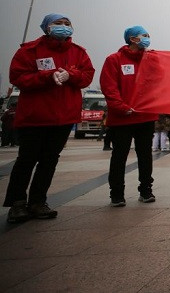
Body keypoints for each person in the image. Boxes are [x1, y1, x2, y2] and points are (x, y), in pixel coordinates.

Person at [3, 13, 94, 223]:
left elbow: (87, 76)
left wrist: (71, 75)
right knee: (26, 160)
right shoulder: (29, 50)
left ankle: (37, 202)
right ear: (46, 28)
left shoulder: (78, 52)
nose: (64, 27)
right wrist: (47, 76)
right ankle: (17, 204)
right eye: (58, 24)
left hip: (63, 117)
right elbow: (17, 77)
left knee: (49, 160)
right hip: (35, 116)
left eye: (67, 24)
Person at [102, 25, 160, 207]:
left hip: (145, 117)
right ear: (132, 39)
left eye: (148, 35)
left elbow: (160, 84)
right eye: (144, 35)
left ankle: (146, 190)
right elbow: (109, 87)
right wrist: (121, 107)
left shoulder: (152, 60)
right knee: (120, 156)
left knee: (145, 155)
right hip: (122, 118)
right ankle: (117, 194)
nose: (147, 38)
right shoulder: (114, 60)